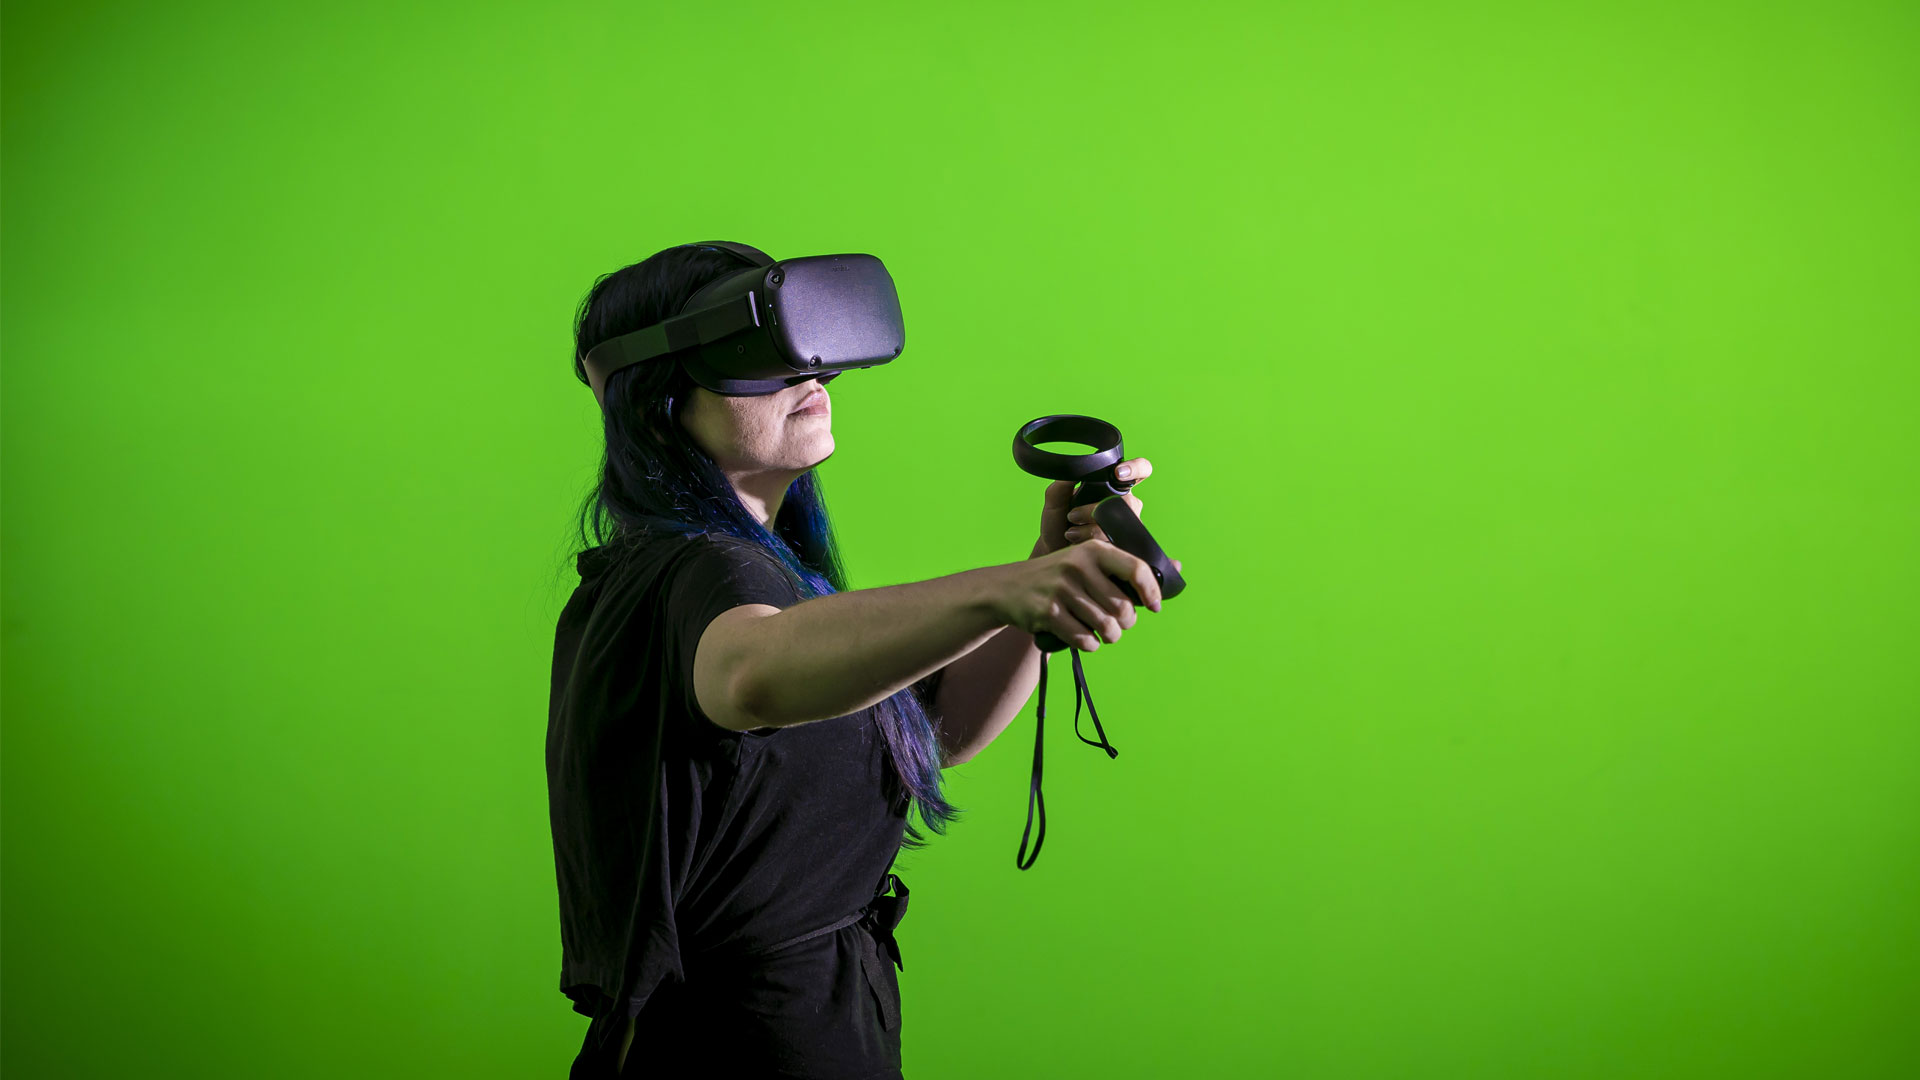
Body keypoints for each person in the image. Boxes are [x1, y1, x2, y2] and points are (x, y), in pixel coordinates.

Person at [547, 243, 1177, 1078]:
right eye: (755, 355)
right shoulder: (698, 571)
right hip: (735, 1048)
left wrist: (1039, 576)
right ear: (661, 400)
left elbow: (937, 728)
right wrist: (1008, 589)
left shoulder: (767, 567)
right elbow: (750, 672)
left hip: (818, 1018)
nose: (808, 373)